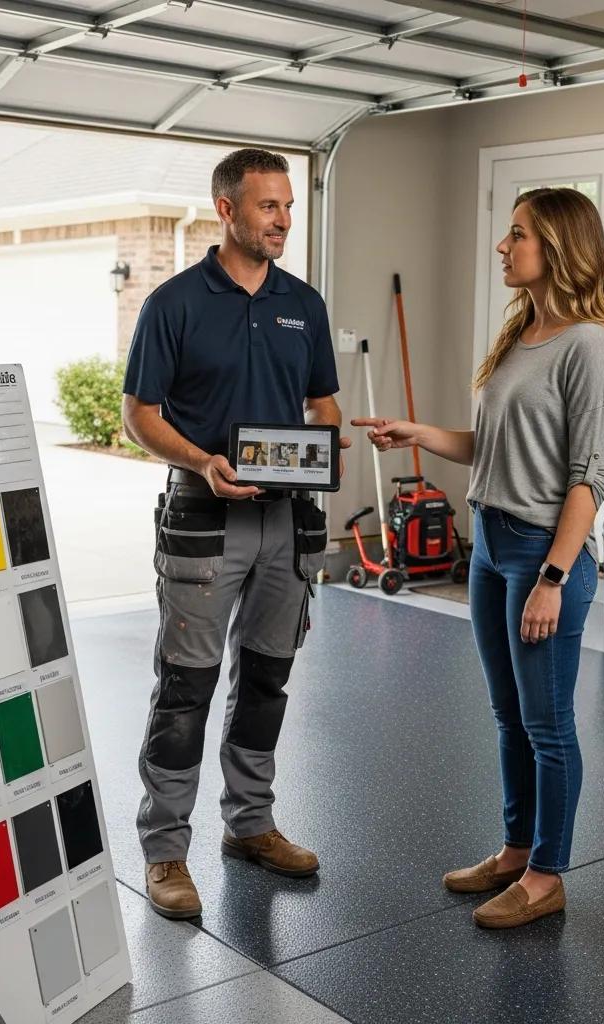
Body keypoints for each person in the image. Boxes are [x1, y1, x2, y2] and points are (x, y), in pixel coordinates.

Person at [354, 188, 604, 929]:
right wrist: (417, 434)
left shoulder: (590, 345)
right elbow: (493, 449)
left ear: (559, 247)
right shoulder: (519, 334)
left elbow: (587, 478)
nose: (503, 248)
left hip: (544, 553)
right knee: (508, 717)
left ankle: (546, 875)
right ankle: (513, 850)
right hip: (491, 544)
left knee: (548, 724)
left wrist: (553, 578)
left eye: (518, 236)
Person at [123, 148, 348, 919]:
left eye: (288, 206)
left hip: (288, 522)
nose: (283, 219)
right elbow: (139, 416)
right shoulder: (174, 304)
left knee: (266, 678)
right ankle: (165, 850)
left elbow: (323, 405)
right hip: (203, 516)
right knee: (186, 685)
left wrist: (317, 450)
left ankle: (250, 825)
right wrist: (204, 461)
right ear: (227, 209)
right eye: (268, 207)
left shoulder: (304, 304)